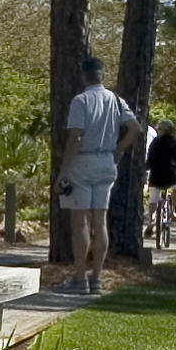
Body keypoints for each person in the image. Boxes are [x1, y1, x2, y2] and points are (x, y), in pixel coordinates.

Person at [57, 54, 136, 295]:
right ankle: (97, 278)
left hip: (84, 160)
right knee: (100, 220)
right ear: (102, 75)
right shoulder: (115, 99)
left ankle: (80, 277)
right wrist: (120, 149)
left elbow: (76, 136)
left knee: (80, 220)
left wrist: (63, 171)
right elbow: (135, 128)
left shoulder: (81, 101)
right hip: (106, 161)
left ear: (83, 75)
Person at [143, 116, 176, 252]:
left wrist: (146, 169)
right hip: (172, 177)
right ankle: (174, 211)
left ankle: (151, 222)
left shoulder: (155, 143)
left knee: (153, 200)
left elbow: (149, 160)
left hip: (156, 177)